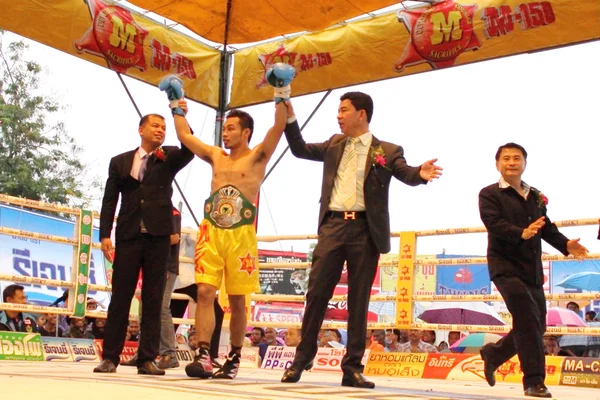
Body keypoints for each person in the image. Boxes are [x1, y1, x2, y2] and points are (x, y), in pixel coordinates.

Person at [280, 91, 442, 389]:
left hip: (365, 230)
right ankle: (301, 359)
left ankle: (352, 367)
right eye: (338, 111)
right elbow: (300, 149)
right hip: (332, 226)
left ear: (362, 114)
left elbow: (405, 173)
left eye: (343, 110)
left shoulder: (388, 150)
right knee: (316, 294)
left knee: (359, 300)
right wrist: (290, 117)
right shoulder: (333, 143)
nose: (338, 116)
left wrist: (421, 173)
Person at [169, 78, 288, 380]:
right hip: (211, 230)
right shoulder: (215, 156)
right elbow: (185, 136)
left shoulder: (258, 154)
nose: (225, 133)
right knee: (206, 291)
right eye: (224, 128)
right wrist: (175, 104)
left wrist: (280, 91)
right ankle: (204, 354)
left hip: (241, 235)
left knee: (236, 299)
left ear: (246, 132)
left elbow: (279, 126)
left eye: (231, 128)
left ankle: (234, 356)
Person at [478, 142, 588, 398]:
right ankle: (534, 381)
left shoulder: (535, 195)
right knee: (527, 317)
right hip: (505, 267)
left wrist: (566, 244)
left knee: (537, 325)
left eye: (517, 158)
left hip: (532, 270)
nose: (512, 162)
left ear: (525, 163)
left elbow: (546, 227)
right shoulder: (489, 194)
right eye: (506, 158)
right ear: (497, 164)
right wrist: (521, 233)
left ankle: (494, 353)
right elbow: (493, 223)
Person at [93, 113, 193, 375]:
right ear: (141, 129)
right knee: (120, 298)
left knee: (153, 298)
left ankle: (147, 358)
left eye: (164, 127)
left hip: (159, 237)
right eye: (155, 125)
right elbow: (109, 199)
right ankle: (110, 358)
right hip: (128, 235)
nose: (160, 130)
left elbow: (189, 147)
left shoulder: (169, 157)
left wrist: (178, 113)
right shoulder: (120, 161)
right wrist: (105, 234)